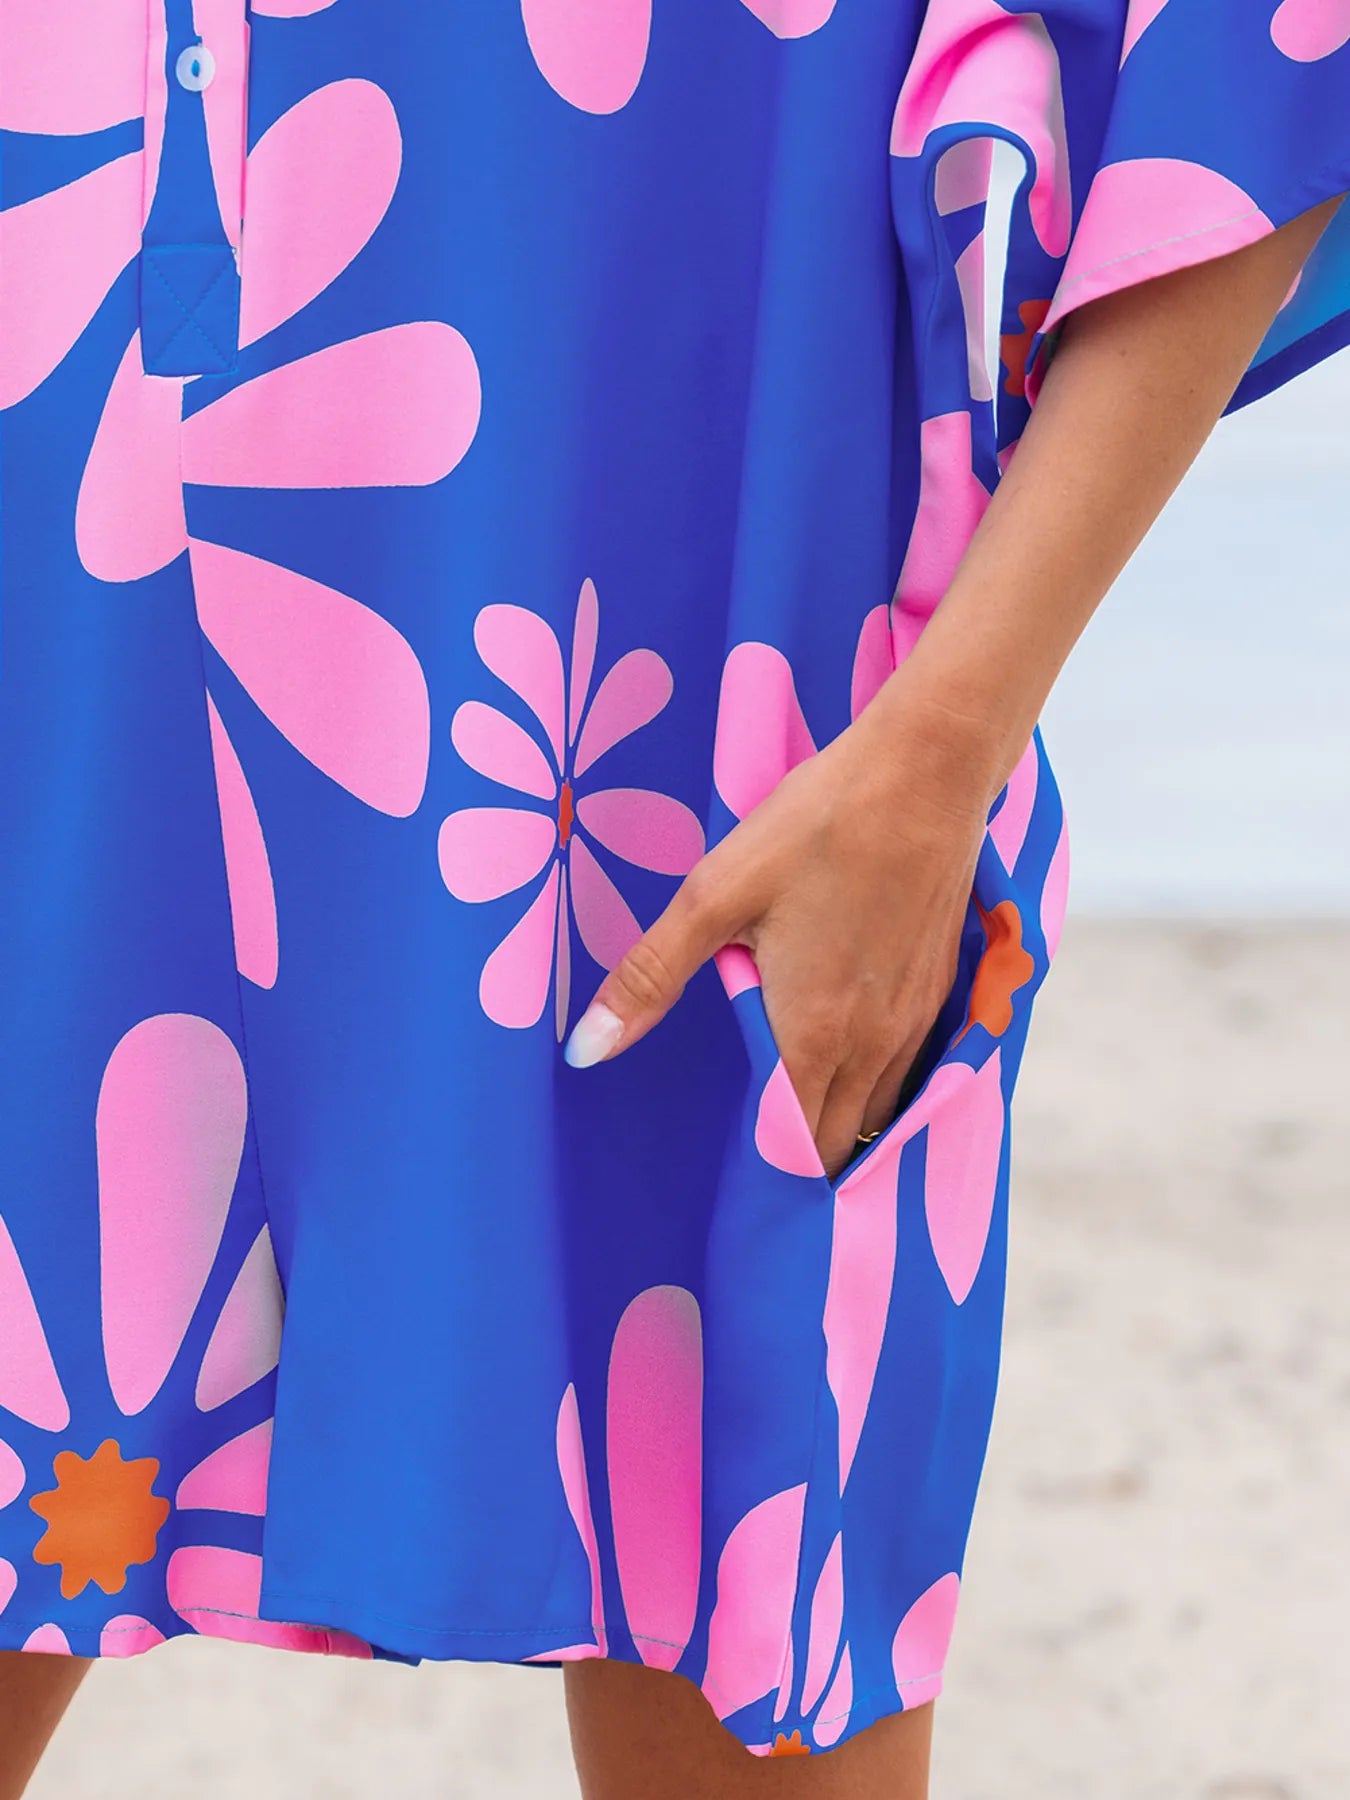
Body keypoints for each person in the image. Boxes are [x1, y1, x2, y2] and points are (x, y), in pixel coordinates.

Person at [1, 2, 1347, 1795]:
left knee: (744, 1611)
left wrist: (936, 755)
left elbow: (1256, 56)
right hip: (58, 626)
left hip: (707, 705)